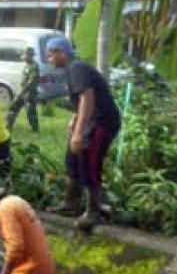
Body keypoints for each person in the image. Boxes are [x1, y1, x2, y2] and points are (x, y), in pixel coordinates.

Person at [46, 36, 121, 227]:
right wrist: (75, 119)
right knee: (72, 158)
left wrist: (79, 133)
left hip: (102, 122)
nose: (49, 59)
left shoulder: (77, 68)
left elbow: (88, 97)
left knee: (89, 160)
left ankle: (94, 211)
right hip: (92, 120)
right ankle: (71, 203)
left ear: (62, 53)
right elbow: (82, 100)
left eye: (51, 55)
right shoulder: (74, 70)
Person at [7, 46, 40, 132]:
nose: (23, 56)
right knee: (13, 107)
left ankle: (35, 130)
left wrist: (22, 92)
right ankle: (8, 125)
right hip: (22, 92)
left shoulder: (34, 66)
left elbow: (31, 82)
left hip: (29, 93)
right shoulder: (27, 65)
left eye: (24, 54)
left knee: (30, 112)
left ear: (29, 55)